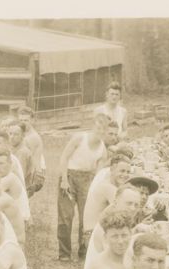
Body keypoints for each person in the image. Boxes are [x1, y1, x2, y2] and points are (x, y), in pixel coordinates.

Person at [57, 113, 109, 260]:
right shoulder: (80, 138)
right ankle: (64, 252)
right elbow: (64, 157)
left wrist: (94, 189)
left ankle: (84, 250)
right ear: (93, 126)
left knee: (86, 217)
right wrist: (64, 180)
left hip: (87, 180)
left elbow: (98, 175)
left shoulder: (102, 150)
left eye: (103, 130)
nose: (100, 132)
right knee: (65, 216)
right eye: (98, 128)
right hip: (70, 175)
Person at [83, 154, 132, 240]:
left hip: (94, 232)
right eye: (122, 171)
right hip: (93, 235)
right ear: (112, 169)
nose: (125, 175)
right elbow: (125, 213)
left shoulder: (108, 181)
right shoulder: (108, 187)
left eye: (128, 172)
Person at [0, 148, 29, 234]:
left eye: (1, 163)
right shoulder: (5, 176)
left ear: (10, 164)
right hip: (11, 218)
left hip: (17, 223)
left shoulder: (9, 179)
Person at [17, 106, 46, 197]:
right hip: (28, 170)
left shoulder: (32, 137)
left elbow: (26, 161)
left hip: (34, 174)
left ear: (32, 120)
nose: (23, 123)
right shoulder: (23, 133)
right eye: (21, 120)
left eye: (26, 120)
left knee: (21, 199)